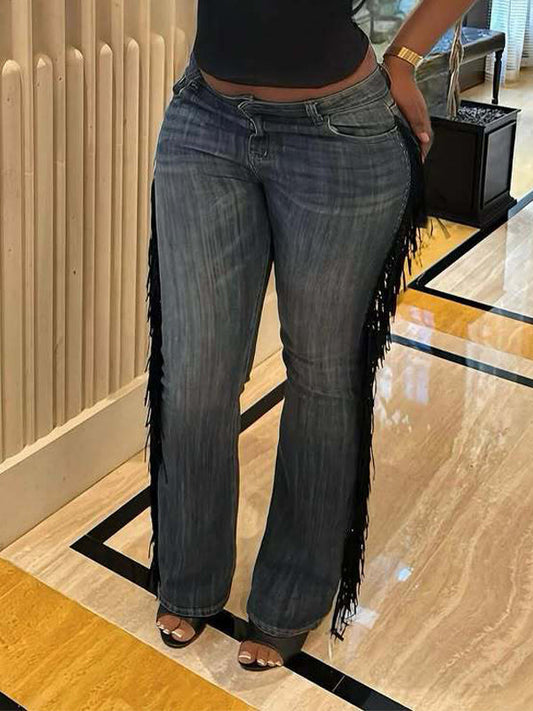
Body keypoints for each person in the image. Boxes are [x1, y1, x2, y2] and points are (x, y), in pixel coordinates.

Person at [144, 0, 478, 672]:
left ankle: (292, 594)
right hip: (204, 119)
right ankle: (189, 574)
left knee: (322, 376)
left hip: (340, 135)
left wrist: (405, 57)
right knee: (196, 374)